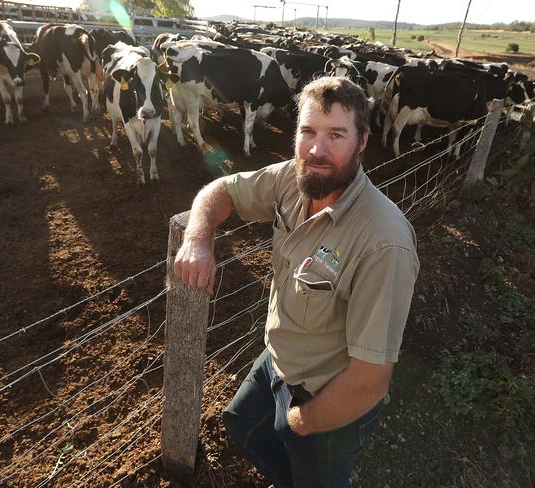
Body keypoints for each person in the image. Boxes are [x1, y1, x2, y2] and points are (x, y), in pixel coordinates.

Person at [173, 77, 420, 488]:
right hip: (277, 360)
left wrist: (303, 421)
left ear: (362, 142)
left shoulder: (383, 242)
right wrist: (198, 237)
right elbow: (222, 189)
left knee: (317, 474)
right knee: (243, 425)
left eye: (336, 135)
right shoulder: (294, 177)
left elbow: (369, 382)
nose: (316, 150)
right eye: (307, 131)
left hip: (327, 397)